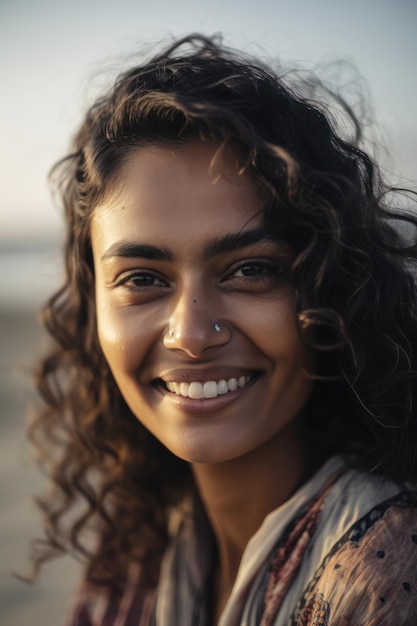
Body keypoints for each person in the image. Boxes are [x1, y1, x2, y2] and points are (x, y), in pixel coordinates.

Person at [29, 34, 417, 625]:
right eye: (141, 278)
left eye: (251, 270)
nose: (191, 333)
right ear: (94, 309)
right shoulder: (131, 561)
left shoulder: (384, 574)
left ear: (331, 286)